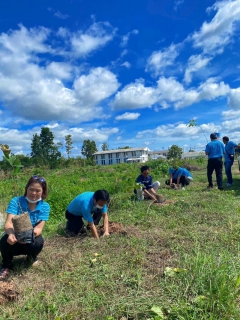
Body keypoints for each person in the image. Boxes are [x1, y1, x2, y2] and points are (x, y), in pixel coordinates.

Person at [0, 175, 50, 280]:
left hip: (30, 237)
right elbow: (9, 223)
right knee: (4, 241)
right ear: (26, 188)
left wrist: (26, 237)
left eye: (38, 190)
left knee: (38, 242)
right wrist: (12, 234)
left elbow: (39, 229)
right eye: (31, 189)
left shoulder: (45, 207)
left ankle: (31, 258)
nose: (34, 193)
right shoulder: (16, 201)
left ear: (43, 192)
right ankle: (6, 264)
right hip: (15, 235)